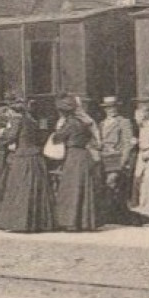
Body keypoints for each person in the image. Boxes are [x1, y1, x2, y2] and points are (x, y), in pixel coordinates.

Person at [0, 97, 55, 233]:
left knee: (20, 189)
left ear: (12, 111)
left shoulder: (17, 120)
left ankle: (20, 223)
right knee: (35, 188)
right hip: (35, 156)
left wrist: (1, 136)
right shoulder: (31, 120)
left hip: (22, 157)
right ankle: (39, 222)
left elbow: (11, 137)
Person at [52, 94, 101, 231]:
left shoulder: (69, 123)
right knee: (84, 188)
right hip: (84, 155)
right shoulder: (85, 122)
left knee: (71, 188)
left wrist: (58, 128)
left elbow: (57, 138)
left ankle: (71, 222)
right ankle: (85, 221)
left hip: (73, 156)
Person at [97, 96, 137, 222]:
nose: (111, 110)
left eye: (113, 107)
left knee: (112, 183)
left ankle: (115, 214)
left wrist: (123, 161)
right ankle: (110, 213)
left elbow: (127, 143)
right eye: (108, 107)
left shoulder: (124, 122)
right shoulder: (101, 123)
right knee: (105, 185)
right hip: (104, 158)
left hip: (116, 158)